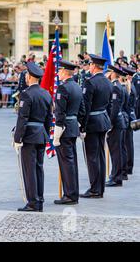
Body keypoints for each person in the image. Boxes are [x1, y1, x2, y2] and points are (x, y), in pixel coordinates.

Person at [13, 62, 52, 212]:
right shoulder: (46, 94)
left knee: (29, 170)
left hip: (29, 136)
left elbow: (22, 118)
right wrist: (46, 136)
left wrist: (17, 138)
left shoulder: (27, 94)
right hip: (41, 135)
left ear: (29, 77)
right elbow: (49, 118)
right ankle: (39, 199)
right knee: (38, 168)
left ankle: (33, 202)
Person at [79, 54, 113, 198]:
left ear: (93, 66)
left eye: (90, 64)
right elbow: (110, 105)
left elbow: (86, 107)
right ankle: (100, 188)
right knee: (100, 155)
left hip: (92, 122)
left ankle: (94, 189)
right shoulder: (107, 82)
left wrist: (82, 126)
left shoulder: (90, 82)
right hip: (103, 121)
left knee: (92, 156)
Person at [53, 60, 86, 205]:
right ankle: (73, 193)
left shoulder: (63, 88)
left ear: (65, 71)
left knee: (66, 163)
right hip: (73, 127)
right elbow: (82, 111)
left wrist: (57, 134)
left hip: (65, 128)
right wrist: (79, 126)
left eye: (59, 71)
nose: (58, 73)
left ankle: (70, 195)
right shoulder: (77, 87)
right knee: (72, 162)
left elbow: (60, 113)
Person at [121, 66, 137, 175]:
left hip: (127, 116)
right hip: (129, 116)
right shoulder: (130, 86)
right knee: (128, 142)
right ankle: (128, 165)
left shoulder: (129, 87)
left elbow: (127, 105)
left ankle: (128, 166)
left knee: (127, 143)